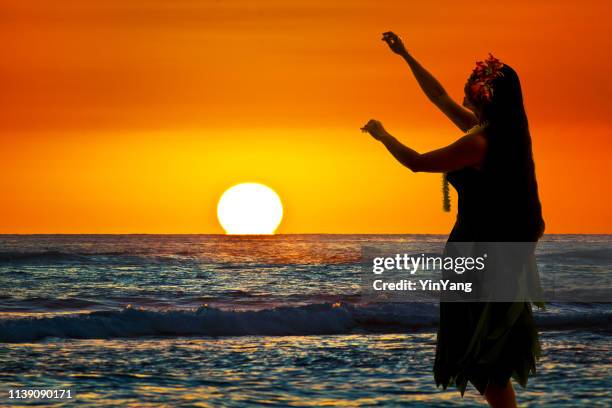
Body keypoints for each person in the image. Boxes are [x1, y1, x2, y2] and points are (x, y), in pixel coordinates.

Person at [361, 32, 544, 408]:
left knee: (485, 359)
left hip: (480, 259)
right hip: (485, 255)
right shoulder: (500, 135)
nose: (464, 90)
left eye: (472, 87)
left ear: (484, 96)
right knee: (486, 360)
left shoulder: (478, 143)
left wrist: (382, 135)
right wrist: (406, 56)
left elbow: (417, 163)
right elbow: (439, 97)